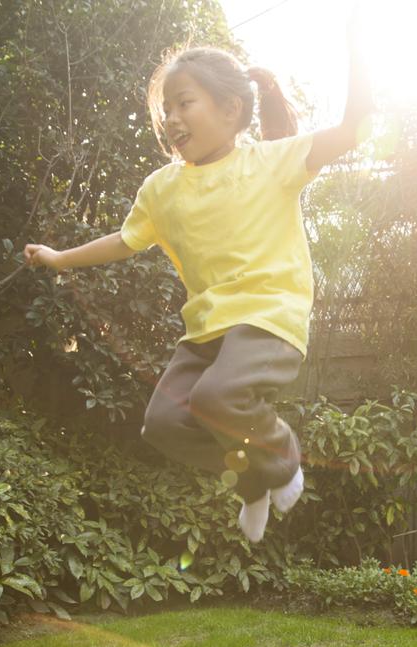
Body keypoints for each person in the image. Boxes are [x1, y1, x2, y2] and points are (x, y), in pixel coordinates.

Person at [24, 15, 371, 543]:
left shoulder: (272, 162)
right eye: (166, 109)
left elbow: (352, 130)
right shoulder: (161, 189)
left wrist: (358, 44)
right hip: (206, 331)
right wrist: (58, 258)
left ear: (231, 109)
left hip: (267, 319)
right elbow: (123, 241)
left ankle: (281, 457)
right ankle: (252, 482)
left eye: (184, 103)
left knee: (215, 399)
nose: (171, 118)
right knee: (163, 425)